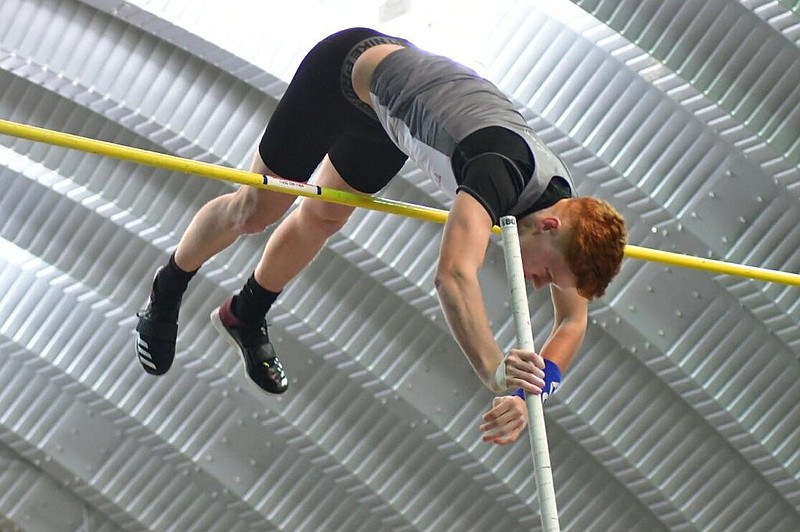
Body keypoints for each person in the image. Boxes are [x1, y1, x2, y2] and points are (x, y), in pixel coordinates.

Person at [134, 28, 627, 414]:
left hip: (389, 117)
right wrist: (495, 371)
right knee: (257, 210)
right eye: (547, 274)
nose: (538, 285)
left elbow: (572, 320)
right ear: (550, 229)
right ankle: (169, 286)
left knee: (325, 217)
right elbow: (453, 277)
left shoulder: (562, 208)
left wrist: (527, 397)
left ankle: (245, 312)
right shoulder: (496, 172)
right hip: (345, 73)